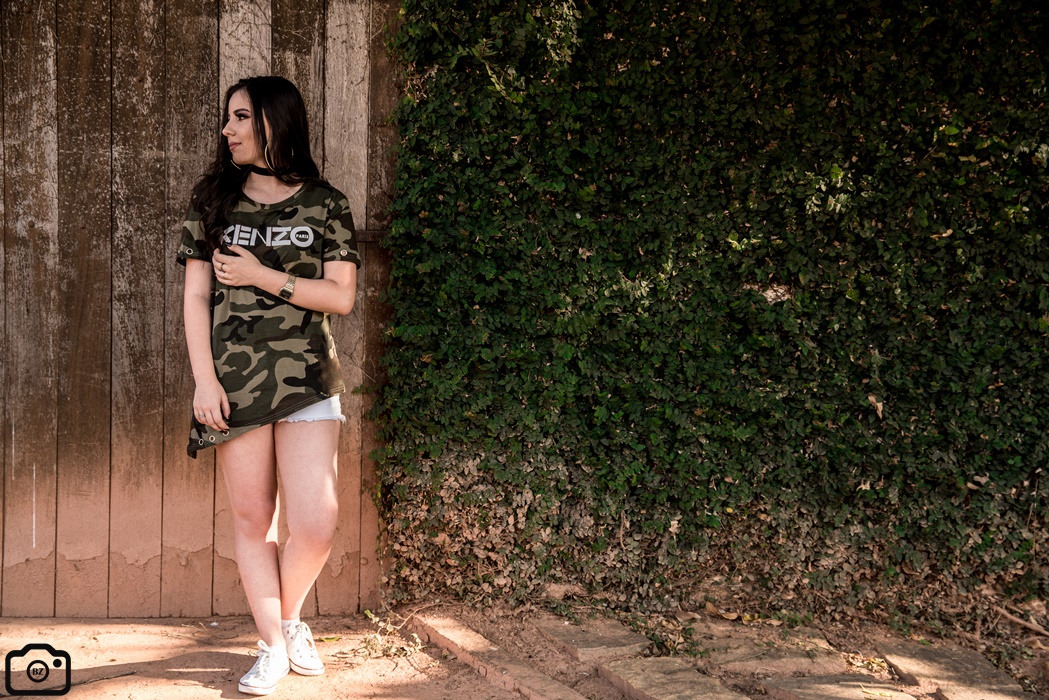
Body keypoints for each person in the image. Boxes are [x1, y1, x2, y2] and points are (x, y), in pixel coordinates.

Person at [177, 75, 360, 696]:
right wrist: (205, 380)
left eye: (239, 117)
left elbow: (341, 297)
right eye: (226, 118)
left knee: (316, 523)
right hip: (235, 384)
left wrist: (261, 275)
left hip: (308, 378)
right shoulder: (214, 201)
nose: (227, 129)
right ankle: (273, 648)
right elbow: (196, 296)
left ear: (273, 121)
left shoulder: (326, 203)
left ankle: (288, 616)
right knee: (254, 520)